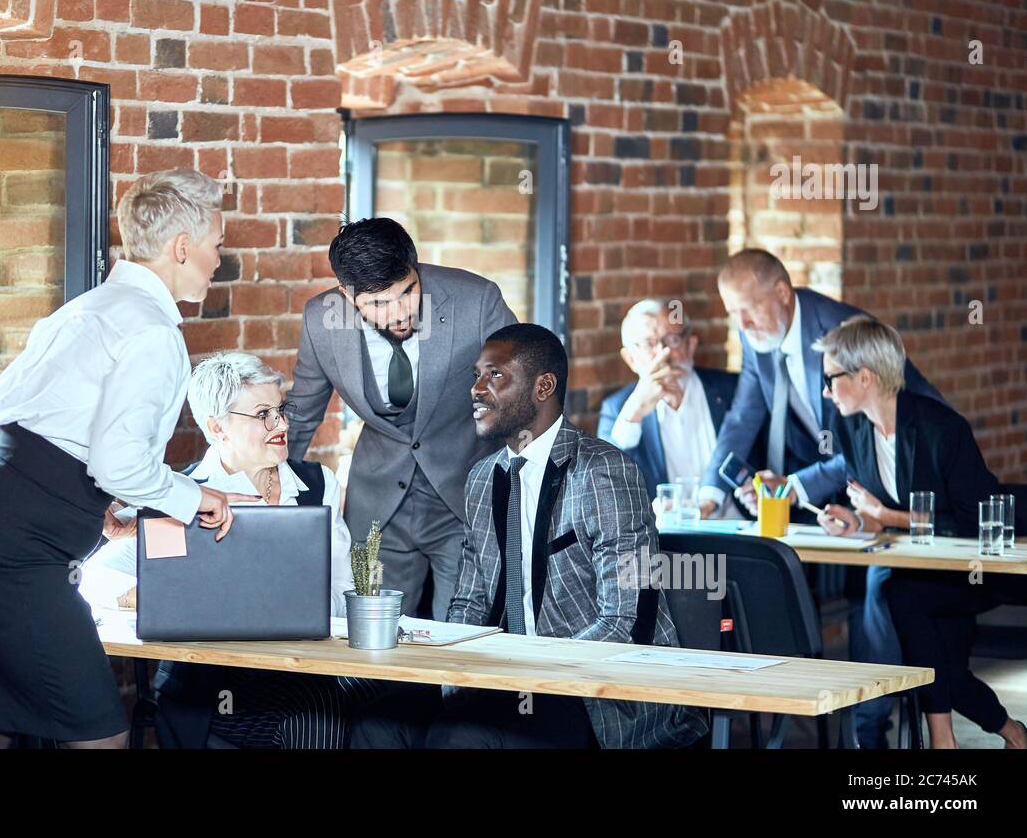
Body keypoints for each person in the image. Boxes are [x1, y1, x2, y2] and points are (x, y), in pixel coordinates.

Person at [0, 170, 255, 749]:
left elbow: (21, 418)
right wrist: (199, 496)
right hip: (11, 551)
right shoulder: (152, 332)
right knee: (99, 734)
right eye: (216, 245)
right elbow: (118, 462)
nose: (217, 260)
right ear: (182, 248)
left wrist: (91, 506)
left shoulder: (93, 306)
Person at [350, 324, 710, 748]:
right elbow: (468, 602)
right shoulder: (483, 478)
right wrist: (454, 678)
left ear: (544, 386)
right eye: (476, 376)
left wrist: (523, 672)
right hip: (503, 677)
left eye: (495, 375)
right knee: (376, 723)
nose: (477, 389)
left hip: (594, 691)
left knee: (461, 737)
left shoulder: (603, 473)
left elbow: (624, 622)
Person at [80, 352, 378, 749]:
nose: (282, 424)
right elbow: (91, 580)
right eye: (263, 415)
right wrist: (164, 598)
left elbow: (343, 590)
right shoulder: (180, 496)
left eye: (281, 410)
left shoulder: (316, 484)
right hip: (214, 686)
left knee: (399, 698)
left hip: (305, 666)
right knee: (316, 711)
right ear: (218, 427)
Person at [286, 218, 517, 619]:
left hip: (464, 500)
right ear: (346, 294)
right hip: (376, 506)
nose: (397, 313)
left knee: (461, 642)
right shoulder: (321, 320)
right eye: (377, 304)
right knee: (372, 644)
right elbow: (302, 414)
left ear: (417, 268)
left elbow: (522, 393)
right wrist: (262, 492)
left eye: (407, 292)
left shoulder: (476, 300)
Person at [814, 316, 1027, 749]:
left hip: (978, 569)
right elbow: (876, 507)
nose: (825, 390)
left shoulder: (943, 429)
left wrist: (887, 518)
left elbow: (977, 522)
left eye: (830, 379)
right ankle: (1012, 733)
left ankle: (942, 739)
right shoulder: (849, 429)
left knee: (904, 598)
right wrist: (857, 521)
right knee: (943, 662)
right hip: (919, 569)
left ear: (865, 377)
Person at [700, 249, 944, 519]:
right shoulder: (754, 335)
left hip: (878, 489)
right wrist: (710, 494)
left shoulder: (843, 331)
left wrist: (798, 486)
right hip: (810, 484)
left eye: (750, 308)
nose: (743, 324)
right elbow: (743, 417)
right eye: (734, 313)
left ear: (782, 293)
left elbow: (897, 427)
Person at [598, 298, 757, 512]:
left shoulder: (732, 389)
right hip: (670, 541)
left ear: (691, 345)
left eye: (672, 340)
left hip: (742, 531)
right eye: (648, 344)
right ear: (631, 359)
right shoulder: (617, 409)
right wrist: (633, 412)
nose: (663, 354)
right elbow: (603, 484)